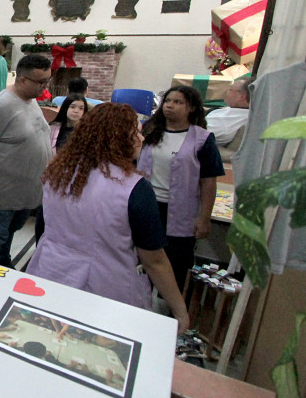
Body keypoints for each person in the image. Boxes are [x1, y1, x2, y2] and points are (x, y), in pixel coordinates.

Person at [26, 103, 189, 331]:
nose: (141, 138)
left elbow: (43, 226)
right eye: (136, 132)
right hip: (103, 285)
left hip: (50, 271)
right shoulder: (133, 189)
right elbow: (155, 260)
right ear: (118, 138)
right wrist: (179, 310)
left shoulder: (57, 173)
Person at [0, 54, 53, 266]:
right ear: (22, 80)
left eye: (47, 81)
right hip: (1, 193)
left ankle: (3, 270)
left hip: (22, 192)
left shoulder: (30, 100)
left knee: (5, 239)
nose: (44, 87)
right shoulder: (1, 105)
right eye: (40, 82)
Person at [138, 85, 224, 292]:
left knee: (174, 264)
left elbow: (208, 181)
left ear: (191, 108)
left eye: (178, 102)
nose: (170, 106)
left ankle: (170, 311)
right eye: (168, 101)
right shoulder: (149, 131)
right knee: (142, 260)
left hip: (180, 212)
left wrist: (204, 217)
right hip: (147, 205)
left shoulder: (202, 139)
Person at [205, 77, 251, 146]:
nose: (226, 91)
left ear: (241, 96)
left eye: (230, 89)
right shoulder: (238, 110)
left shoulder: (226, 122)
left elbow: (194, 133)